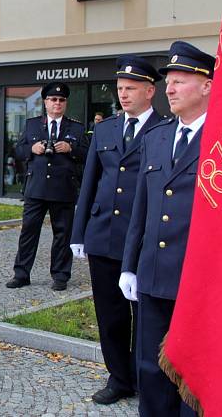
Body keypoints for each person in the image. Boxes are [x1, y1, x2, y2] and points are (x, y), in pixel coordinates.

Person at [120, 41, 212, 417]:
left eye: (179, 81)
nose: (170, 89)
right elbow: (140, 208)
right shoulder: (156, 137)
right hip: (154, 275)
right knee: (151, 369)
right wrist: (129, 264)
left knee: (193, 375)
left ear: (207, 85)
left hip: (198, 280)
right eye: (168, 82)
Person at [69, 56, 163, 405]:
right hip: (103, 233)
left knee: (145, 316)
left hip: (142, 238)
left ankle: (145, 378)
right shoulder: (106, 129)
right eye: (120, 88)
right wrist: (78, 233)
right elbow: (90, 181)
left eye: (131, 88)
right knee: (109, 314)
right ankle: (119, 377)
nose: (123, 95)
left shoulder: (163, 130)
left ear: (150, 91)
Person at [7, 82, 89, 291]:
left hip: (63, 188)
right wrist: (32, 149)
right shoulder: (32, 125)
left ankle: (60, 276)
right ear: (45, 102)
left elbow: (88, 155)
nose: (57, 103)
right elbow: (18, 150)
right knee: (28, 232)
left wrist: (70, 148)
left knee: (63, 234)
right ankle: (21, 274)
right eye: (53, 100)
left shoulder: (77, 127)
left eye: (61, 100)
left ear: (65, 103)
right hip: (36, 187)